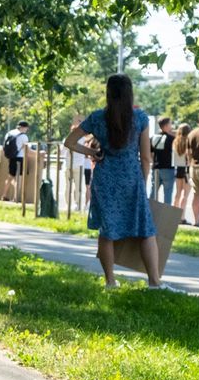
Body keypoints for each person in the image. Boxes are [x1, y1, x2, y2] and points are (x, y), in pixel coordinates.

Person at [63, 74, 172, 290]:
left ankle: (110, 281)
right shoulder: (140, 118)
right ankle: (154, 282)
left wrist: (91, 152)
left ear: (109, 93)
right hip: (132, 177)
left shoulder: (97, 118)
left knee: (108, 231)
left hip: (105, 177)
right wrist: (142, 180)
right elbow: (146, 157)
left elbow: (70, 141)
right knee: (146, 229)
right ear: (129, 93)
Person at [1, 121, 31, 201]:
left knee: (10, 177)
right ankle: (15, 198)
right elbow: (27, 149)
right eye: (26, 128)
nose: (27, 130)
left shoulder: (9, 133)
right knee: (19, 178)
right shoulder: (24, 136)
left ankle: (4, 195)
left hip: (11, 157)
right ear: (23, 127)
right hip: (20, 158)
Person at [149, 117, 176, 205]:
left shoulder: (153, 138)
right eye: (170, 124)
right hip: (168, 168)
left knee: (153, 192)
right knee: (167, 194)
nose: (171, 126)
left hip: (156, 167)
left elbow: (150, 154)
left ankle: (150, 212)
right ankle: (165, 216)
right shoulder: (171, 139)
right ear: (166, 125)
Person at [173, 122, 193, 224]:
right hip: (186, 169)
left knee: (177, 193)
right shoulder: (188, 141)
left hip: (178, 169)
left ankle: (173, 216)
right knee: (185, 195)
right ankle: (182, 217)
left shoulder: (175, 141)